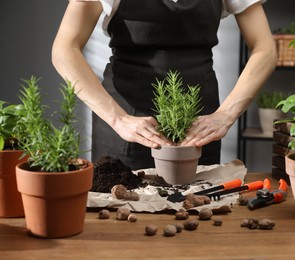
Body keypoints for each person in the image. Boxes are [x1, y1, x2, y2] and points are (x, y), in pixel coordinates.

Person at [52, 0, 277, 170]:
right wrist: (119, 119)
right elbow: (64, 49)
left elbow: (265, 49)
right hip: (125, 129)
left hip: (198, 131)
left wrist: (225, 115)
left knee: (197, 218)